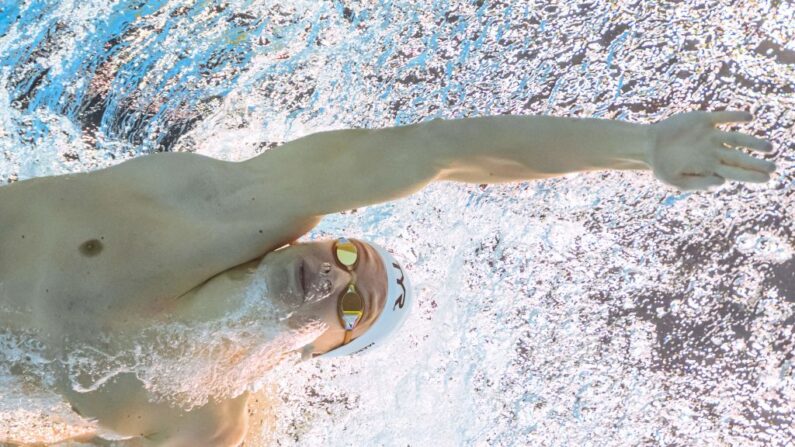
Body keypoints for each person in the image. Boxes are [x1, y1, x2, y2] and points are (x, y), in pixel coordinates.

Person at [0, 110, 776, 446]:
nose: (331, 276)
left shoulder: (204, 422)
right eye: (347, 258)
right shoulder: (212, 207)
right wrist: (638, 148)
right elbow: (435, 149)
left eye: (350, 306)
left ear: (320, 349)